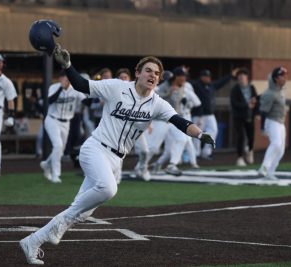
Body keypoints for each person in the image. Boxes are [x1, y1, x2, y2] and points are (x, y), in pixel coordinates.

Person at [19, 44, 215, 265]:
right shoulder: (116, 87)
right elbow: (82, 85)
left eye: (157, 73)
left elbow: (180, 121)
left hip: (115, 159)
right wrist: (68, 66)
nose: (153, 75)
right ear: (138, 72)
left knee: (82, 212)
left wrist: (200, 134)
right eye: (148, 70)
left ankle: (33, 240)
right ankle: (58, 226)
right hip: (95, 148)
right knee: (108, 188)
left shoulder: (157, 103)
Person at [39, 70, 86, 183]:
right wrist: (61, 87)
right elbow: (50, 100)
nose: (67, 80)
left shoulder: (75, 89)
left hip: (66, 122)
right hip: (52, 120)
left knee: (60, 149)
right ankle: (56, 175)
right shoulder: (54, 87)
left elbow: (86, 101)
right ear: (60, 79)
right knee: (58, 145)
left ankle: (46, 164)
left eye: (68, 78)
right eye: (65, 78)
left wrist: (98, 99)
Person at [154, 66, 201, 175]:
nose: (184, 79)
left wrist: (187, 105)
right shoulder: (164, 86)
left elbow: (195, 103)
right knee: (153, 148)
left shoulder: (183, 87)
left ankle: (172, 165)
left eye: (184, 76)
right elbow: (156, 98)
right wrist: (169, 93)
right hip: (161, 120)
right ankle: (145, 165)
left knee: (182, 140)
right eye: (182, 76)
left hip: (175, 119)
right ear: (177, 77)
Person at [191, 68, 237, 158]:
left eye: (209, 76)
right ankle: (196, 153)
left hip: (210, 114)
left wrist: (231, 75)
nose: (208, 78)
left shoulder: (211, 85)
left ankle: (206, 152)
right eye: (206, 76)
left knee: (213, 131)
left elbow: (221, 82)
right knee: (196, 134)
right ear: (201, 77)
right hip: (199, 115)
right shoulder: (196, 85)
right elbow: (187, 82)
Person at [257, 66, 288, 179]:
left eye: (285, 76)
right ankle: (264, 167)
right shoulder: (270, 93)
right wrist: (262, 128)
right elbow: (263, 111)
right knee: (276, 143)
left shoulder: (280, 91)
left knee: (281, 150)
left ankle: (270, 172)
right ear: (275, 78)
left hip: (280, 122)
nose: (285, 78)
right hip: (271, 121)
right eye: (282, 76)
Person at [230, 68, 258, 166]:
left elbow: (256, 100)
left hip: (250, 116)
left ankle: (250, 151)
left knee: (251, 136)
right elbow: (234, 103)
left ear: (247, 78)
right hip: (239, 116)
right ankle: (240, 157)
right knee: (240, 137)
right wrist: (247, 105)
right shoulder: (235, 90)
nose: (241, 78)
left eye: (243, 76)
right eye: (239, 77)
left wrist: (256, 109)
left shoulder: (252, 88)